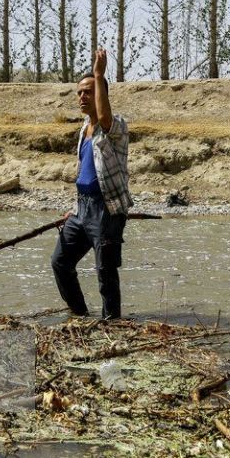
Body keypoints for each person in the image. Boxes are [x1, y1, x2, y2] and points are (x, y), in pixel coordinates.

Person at [51, 48, 133, 319]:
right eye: (79, 92)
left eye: (89, 91)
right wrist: (75, 209)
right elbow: (85, 174)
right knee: (60, 262)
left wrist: (99, 73)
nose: (82, 97)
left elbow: (106, 119)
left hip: (106, 210)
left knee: (105, 272)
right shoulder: (83, 129)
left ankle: (113, 324)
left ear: (102, 94)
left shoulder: (116, 126)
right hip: (83, 209)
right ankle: (80, 315)